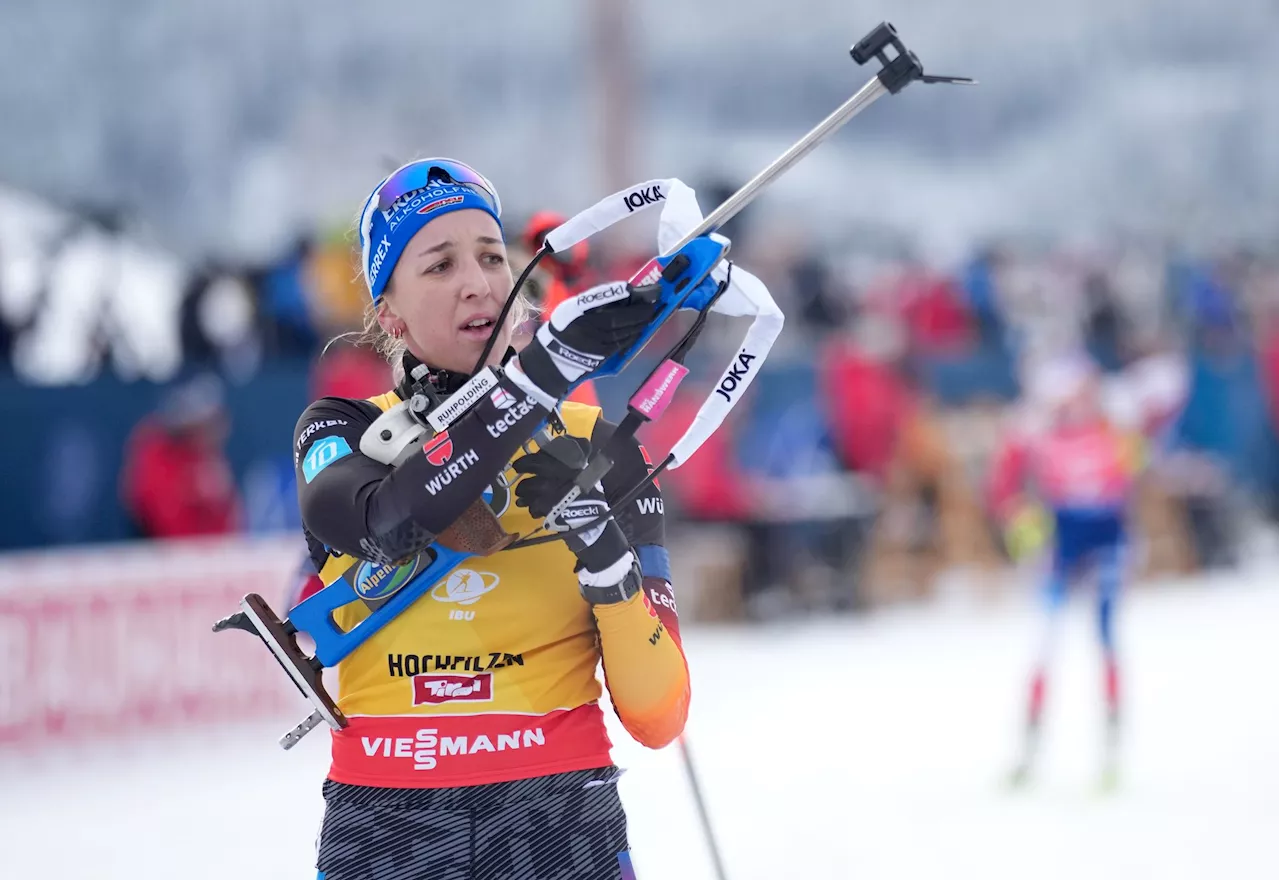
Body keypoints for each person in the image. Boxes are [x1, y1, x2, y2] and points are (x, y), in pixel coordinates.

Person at [292, 158, 700, 879]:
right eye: (440, 264)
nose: (478, 281)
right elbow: (384, 522)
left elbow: (657, 715)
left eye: (490, 256)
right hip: (387, 824)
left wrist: (607, 564)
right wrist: (538, 379)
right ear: (389, 313)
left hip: (559, 820)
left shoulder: (597, 442)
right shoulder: (342, 429)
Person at [987, 354, 1144, 788]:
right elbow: (1003, 487)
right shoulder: (1038, 435)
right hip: (1062, 548)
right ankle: (1028, 751)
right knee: (1044, 646)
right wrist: (1021, 520)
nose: (1076, 403)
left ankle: (1112, 752)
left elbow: (1134, 475)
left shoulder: (1111, 431)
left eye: (1083, 393)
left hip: (1106, 546)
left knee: (1107, 642)